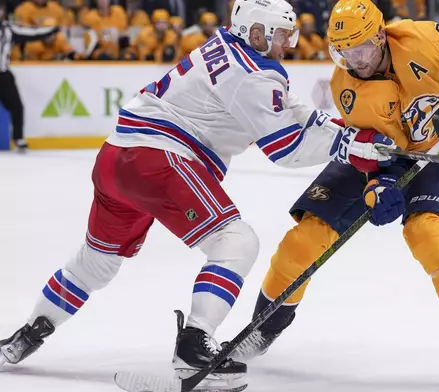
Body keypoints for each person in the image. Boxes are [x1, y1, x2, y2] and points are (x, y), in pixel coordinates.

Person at [0, 0, 398, 391]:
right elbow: (287, 148)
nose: (288, 44)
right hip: (158, 160)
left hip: (116, 157)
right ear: (256, 32)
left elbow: (292, 110)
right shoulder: (255, 74)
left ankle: (30, 332)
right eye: (281, 35)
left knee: (96, 262)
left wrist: (342, 132)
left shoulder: (228, 44)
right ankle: (194, 344)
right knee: (237, 242)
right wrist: (348, 146)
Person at [230, 0, 439, 390]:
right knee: (305, 238)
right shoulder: (346, 86)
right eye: (343, 50)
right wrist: (377, 184)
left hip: (434, 154)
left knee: (429, 235)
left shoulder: (421, 38)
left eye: (361, 48)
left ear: (381, 36)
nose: (354, 59)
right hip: (371, 154)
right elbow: (373, 153)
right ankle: (263, 327)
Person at [0, 0, 59, 152]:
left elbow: (31, 33)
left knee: (17, 107)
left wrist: (51, 30)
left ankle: (18, 138)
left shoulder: (8, 29)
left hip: (2, 74)